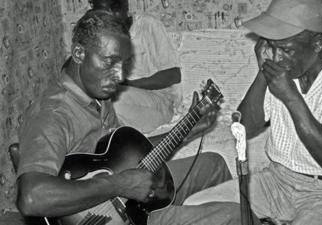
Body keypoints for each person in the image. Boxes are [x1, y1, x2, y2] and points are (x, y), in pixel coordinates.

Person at [16, 10, 238, 224]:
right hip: (115, 215)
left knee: (214, 164)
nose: (120, 75)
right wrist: (118, 185)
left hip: (127, 199)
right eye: (110, 61)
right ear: (78, 54)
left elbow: (128, 156)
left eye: (123, 63)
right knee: (233, 216)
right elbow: (31, 197)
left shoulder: (99, 97)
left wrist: (189, 129)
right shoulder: (52, 114)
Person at [183, 0, 322, 224]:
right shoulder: (281, 63)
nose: (278, 57)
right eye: (271, 46)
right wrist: (263, 72)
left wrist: (290, 97)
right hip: (276, 180)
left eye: (285, 49)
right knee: (195, 208)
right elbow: (245, 127)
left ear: (316, 44)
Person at [91, 0, 183, 134]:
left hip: (160, 103)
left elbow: (173, 75)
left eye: (115, 7)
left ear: (125, 6)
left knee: (114, 101)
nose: (110, 16)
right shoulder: (100, 38)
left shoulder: (148, 25)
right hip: (124, 101)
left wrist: (128, 84)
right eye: (102, 12)